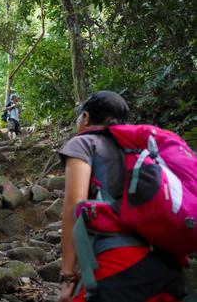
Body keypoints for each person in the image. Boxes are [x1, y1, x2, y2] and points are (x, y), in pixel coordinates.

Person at [58, 90, 186, 302]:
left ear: (86, 118)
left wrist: (68, 276)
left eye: (79, 116)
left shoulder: (84, 142)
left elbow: (75, 206)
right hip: (170, 266)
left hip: (121, 264)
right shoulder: (141, 148)